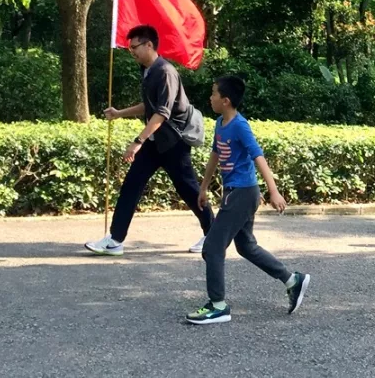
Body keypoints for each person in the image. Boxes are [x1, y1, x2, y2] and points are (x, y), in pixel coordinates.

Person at [186, 76, 311, 325]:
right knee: (245, 246)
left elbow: (258, 156)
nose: (210, 97)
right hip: (235, 192)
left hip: (242, 194)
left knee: (212, 247)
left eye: (213, 93)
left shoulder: (240, 126)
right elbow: (215, 155)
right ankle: (292, 280)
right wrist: (203, 187)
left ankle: (218, 306)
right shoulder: (220, 123)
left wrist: (273, 191)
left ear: (226, 100)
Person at [86, 24, 213, 256]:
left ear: (149, 45)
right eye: (130, 48)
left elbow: (162, 113)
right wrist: (120, 113)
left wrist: (138, 141)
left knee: (188, 189)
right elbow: (149, 106)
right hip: (155, 142)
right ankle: (115, 240)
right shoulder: (147, 70)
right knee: (131, 185)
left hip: (173, 143)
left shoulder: (165, 72)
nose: (132, 51)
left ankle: (213, 235)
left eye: (134, 47)